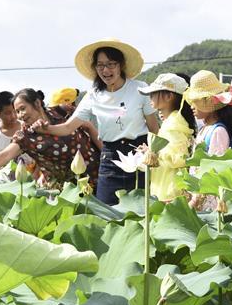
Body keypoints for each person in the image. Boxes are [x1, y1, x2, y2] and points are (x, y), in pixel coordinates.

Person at [32, 39, 159, 205]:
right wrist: (46, 129)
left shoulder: (139, 88)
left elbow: (153, 127)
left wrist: (153, 153)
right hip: (110, 157)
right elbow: (68, 127)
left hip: (139, 153)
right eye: (100, 65)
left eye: (111, 64)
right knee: (106, 210)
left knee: (142, 209)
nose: (105, 70)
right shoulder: (93, 95)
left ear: (121, 65)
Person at [0, 88, 99, 188]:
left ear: (37, 103)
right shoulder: (25, 136)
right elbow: (6, 154)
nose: (20, 115)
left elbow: (88, 126)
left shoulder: (62, 111)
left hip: (97, 172)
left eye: (23, 108)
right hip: (69, 187)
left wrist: (105, 154)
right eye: (17, 111)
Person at [138, 73, 196, 202]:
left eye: (154, 93)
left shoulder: (173, 124)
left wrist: (153, 154)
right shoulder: (171, 121)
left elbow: (179, 158)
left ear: (169, 96)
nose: (150, 97)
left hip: (170, 191)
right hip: (166, 188)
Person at [184, 70, 232, 155]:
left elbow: (216, 161)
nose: (192, 106)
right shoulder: (205, 128)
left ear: (209, 102)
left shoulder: (218, 131)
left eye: (196, 101)